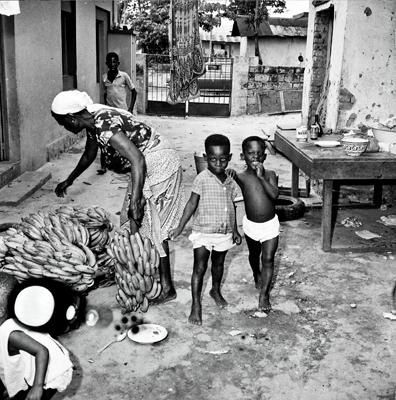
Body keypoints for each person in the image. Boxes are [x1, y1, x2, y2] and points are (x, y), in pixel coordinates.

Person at [51, 90, 185, 304]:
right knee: (130, 223)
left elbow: (138, 159)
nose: (65, 128)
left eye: (63, 123)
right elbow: (89, 154)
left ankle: (167, 288)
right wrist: (70, 179)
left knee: (152, 225)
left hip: (158, 162)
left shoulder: (104, 124)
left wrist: (136, 201)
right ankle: (140, 274)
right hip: (142, 166)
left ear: (72, 118)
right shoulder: (93, 121)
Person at [169, 134, 241, 325]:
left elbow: (233, 206)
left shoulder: (231, 181)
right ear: (205, 157)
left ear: (230, 157)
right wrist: (179, 227)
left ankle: (215, 290)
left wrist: (235, 230)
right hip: (202, 232)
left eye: (223, 159)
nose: (218, 163)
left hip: (223, 232)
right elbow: (191, 204)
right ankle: (196, 305)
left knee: (218, 265)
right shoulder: (201, 178)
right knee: (199, 268)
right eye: (213, 159)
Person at [0, 280, 74, 400]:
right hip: (43, 363)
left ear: (1, 312)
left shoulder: (11, 335)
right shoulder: (13, 319)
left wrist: (37, 387)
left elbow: (42, 351)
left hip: (51, 373)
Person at [232, 136, 279, 312]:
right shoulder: (241, 177)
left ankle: (264, 294)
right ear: (243, 156)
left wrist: (261, 178)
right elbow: (223, 177)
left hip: (270, 226)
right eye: (251, 154)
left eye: (259, 154)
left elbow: (274, 195)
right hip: (251, 226)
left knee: (267, 259)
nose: (255, 158)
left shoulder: (270, 175)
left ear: (264, 157)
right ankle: (255, 273)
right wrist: (228, 172)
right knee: (254, 255)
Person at [98, 52, 137, 174]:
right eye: (110, 62)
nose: (112, 64)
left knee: (124, 138)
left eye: (115, 61)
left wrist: (130, 109)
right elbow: (105, 94)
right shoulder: (104, 77)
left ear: (118, 63)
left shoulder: (124, 76)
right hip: (110, 112)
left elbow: (134, 91)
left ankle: (128, 162)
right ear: (107, 64)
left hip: (122, 112)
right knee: (105, 138)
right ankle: (104, 165)